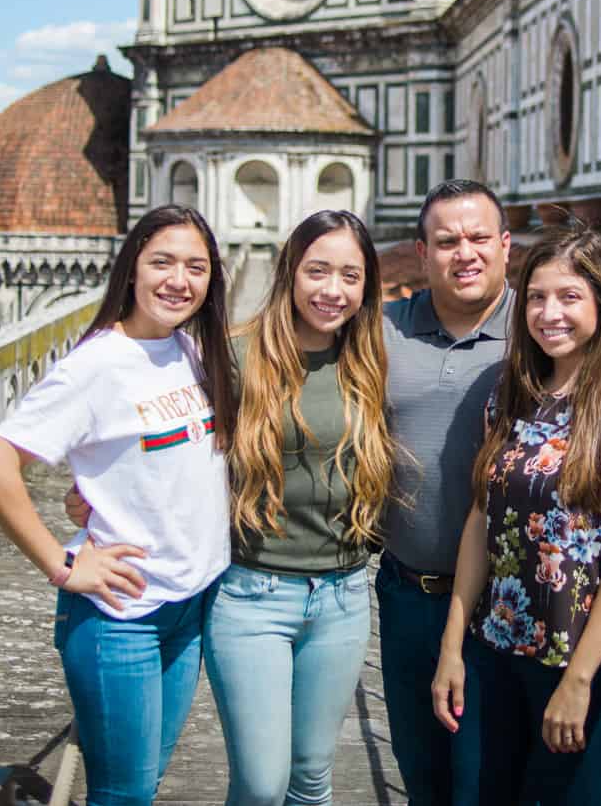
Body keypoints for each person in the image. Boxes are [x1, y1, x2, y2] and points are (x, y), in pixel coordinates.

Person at [378, 180, 601, 806]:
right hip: (482, 636)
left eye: (570, 297)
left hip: (574, 655)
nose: (551, 313)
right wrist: (452, 646)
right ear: (421, 250)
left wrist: (578, 679)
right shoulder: (510, 392)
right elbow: (482, 519)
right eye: (539, 298)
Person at [0, 205, 237, 806]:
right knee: (123, 794)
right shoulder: (97, 363)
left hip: (187, 604)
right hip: (120, 614)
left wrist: (91, 495)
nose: (179, 280)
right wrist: (62, 567)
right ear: (132, 269)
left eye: (197, 267)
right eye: (162, 262)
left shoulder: (191, 351)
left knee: (143, 783)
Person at [203, 209, 398, 806]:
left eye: (350, 275)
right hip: (251, 596)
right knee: (262, 785)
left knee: (311, 781)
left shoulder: (372, 361)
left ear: (367, 288)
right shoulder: (235, 356)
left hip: (341, 598)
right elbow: (159, 422)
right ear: (290, 271)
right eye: (317, 271)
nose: (332, 291)